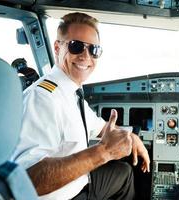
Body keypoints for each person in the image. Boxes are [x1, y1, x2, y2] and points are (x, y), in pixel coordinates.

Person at [12, 12, 150, 200]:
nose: (86, 56)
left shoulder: (69, 91)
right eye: (76, 46)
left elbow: (100, 127)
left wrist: (132, 137)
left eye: (94, 50)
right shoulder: (43, 98)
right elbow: (29, 181)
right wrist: (104, 151)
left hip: (78, 181)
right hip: (63, 195)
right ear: (57, 48)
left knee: (123, 173)